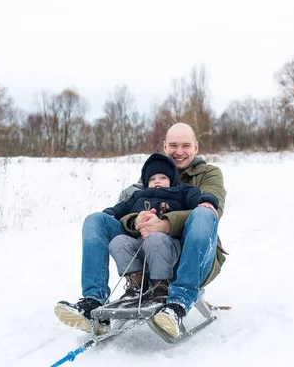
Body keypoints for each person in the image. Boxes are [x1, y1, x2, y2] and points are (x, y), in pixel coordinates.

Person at [54, 122, 227, 338]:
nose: (179, 151)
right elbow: (125, 206)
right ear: (165, 146)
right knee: (96, 220)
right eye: (173, 145)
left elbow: (213, 209)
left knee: (204, 213)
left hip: (193, 257)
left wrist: (165, 224)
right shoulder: (151, 174)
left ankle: (179, 303)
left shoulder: (209, 174)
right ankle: (93, 302)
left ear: (196, 147)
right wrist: (137, 220)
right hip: (149, 252)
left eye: (186, 145)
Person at [103, 152, 219, 302]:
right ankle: (137, 284)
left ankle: (160, 286)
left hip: (168, 245)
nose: (157, 182)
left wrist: (207, 200)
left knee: (155, 238)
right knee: (117, 242)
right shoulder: (139, 195)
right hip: (141, 245)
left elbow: (196, 198)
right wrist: (110, 213)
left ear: (172, 179)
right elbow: (121, 207)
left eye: (163, 178)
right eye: (152, 179)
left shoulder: (181, 191)